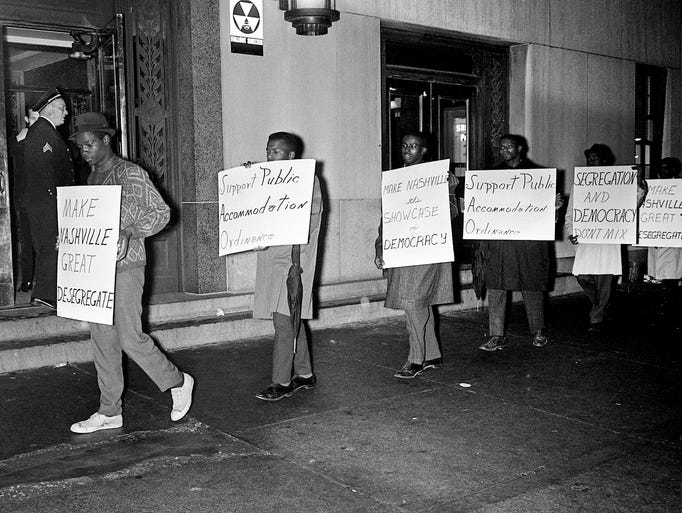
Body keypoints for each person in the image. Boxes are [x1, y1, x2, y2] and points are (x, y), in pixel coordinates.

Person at [69, 112, 194, 433]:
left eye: (89, 144)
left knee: (129, 337)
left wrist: (130, 232)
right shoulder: (92, 177)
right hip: (97, 269)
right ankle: (110, 411)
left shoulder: (130, 173)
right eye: (80, 146)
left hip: (126, 267)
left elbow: (162, 212)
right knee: (102, 338)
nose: (84, 150)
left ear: (106, 139)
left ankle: (178, 381)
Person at [374, 132, 455, 378]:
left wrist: (449, 189)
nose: (407, 149)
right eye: (404, 145)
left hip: (425, 251)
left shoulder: (437, 178)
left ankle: (415, 360)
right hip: (402, 250)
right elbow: (386, 220)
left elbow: (450, 214)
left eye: (413, 146)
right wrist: (380, 247)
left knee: (412, 304)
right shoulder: (396, 180)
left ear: (424, 150)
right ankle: (432, 355)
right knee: (420, 303)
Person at [252, 132, 323, 401]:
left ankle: (281, 382)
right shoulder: (265, 180)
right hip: (272, 260)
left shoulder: (307, 180)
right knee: (288, 317)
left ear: (291, 155)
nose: (270, 156)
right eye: (268, 150)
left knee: (284, 321)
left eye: (277, 152)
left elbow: (310, 219)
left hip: (294, 261)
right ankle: (304, 374)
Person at [479, 134, 563, 351]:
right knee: (496, 285)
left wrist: (553, 208)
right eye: (501, 147)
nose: (504, 150)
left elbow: (547, 217)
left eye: (509, 146)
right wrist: (469, 208)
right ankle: (497, 335)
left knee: (531, 284)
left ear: (520, 148)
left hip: (528, 242)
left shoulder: (538, 176)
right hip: (499, 241)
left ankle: (538, 331)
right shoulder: (489, 177)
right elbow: (481, 208)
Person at [22, 88, 75, 309]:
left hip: (46, 201)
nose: (66, 113)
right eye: (62, 109)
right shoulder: (43, 132)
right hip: (47, 202)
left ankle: (48, 292)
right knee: (50, 245)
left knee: (51, 245)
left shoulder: (45, 131)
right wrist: (57, 199)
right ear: (49, 109)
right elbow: (45, 171)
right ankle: (44, 293)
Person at [566, 144, 621, 332]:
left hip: (608, 238)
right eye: (589, 158)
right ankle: (602, 305)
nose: (590, 161)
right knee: (582, 274)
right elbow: (571, 212)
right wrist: (571, 231)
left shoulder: (617, 183)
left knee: (605, 277)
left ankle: (596, 316)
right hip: (587, 238)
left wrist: (639, 188)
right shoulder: (579, 183)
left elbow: (628, 207)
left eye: (595, 158)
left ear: (605, 161)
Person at [647, 157, 682, 325]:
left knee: (671, 278)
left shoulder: (679, 189)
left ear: (675, 171)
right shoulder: (652, 188)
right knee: (662, 278)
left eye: (667, 169)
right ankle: (664, 307)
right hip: (657, 240)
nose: (663, 172)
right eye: (661, 168)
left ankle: (668, 309)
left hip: (673, 243)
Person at [9, 107, 40, 293]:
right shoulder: (20, 137)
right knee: (27, 242)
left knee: (44, 242)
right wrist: (17, 139)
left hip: (44, 198)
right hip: (25, 198)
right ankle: (27, 280)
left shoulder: (49, 135)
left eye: (39, 117)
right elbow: (7, 152)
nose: (37, 121)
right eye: (33, 118)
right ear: (27, 119)